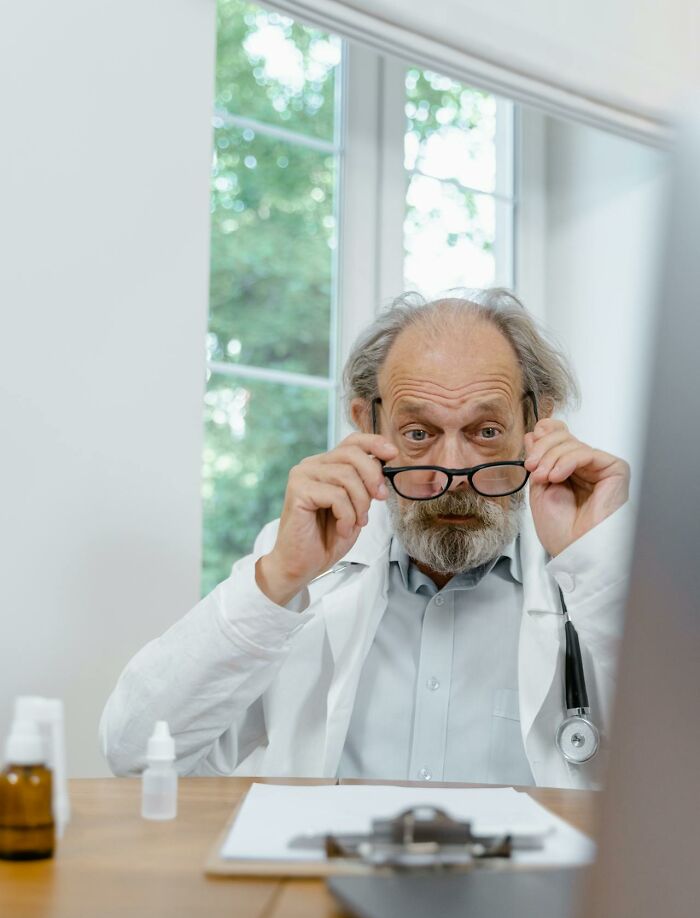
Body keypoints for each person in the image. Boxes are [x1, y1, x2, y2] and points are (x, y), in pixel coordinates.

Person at [100, 289, 632, 788]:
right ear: (366, 421)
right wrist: (278, 578)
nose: (452, 471)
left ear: (537, 421)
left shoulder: (589, 567)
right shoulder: (308, 565)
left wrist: (596, 566)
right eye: (419, 434)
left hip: (526, 887)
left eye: (486, 431)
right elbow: (134, 752)